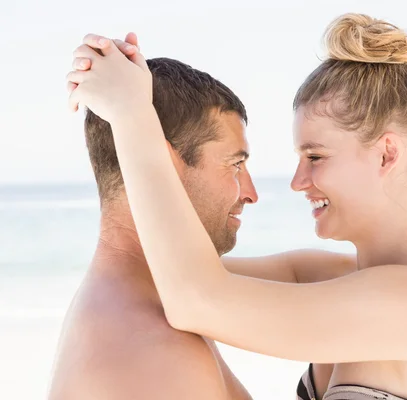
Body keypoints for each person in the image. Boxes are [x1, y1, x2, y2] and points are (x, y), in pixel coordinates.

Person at [67, 13, 407, 400]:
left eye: (316, 157)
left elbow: (196, 298)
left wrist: (130, 113)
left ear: (386, 155)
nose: (297, 181)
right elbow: (154, 266)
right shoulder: (328, 276)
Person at [49, 40, 355, 400]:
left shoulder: (138, 295)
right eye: (235, 165)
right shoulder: (154, 356)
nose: (250, 192)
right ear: (157, 162)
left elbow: (302, 273)